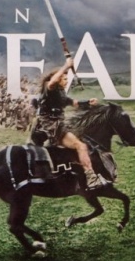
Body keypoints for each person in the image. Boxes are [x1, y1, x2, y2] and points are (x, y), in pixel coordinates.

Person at [35, 57, 105, 189]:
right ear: (58, 79)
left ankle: (68, 163)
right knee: (80, 146)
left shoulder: (61, 92)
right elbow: (53, 81)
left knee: (84, 135)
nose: (67, 81)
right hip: (52, 125)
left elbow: (74, 103)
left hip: (60, 123)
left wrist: (88, 102)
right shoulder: (49, 88)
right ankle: (91, 178)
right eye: (65, 79)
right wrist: (66, 66)